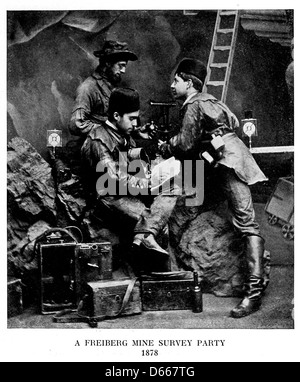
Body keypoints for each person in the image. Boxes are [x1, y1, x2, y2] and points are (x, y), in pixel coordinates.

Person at [158, 58, 268, 318]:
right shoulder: (210, 99)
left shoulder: (194, 103)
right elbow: (230, 125)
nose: (172, 85)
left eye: (176, 81)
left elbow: (185, 144)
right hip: (222, 159)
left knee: (246, 223)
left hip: (229, 161)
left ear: (189, 83)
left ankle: (253, 295)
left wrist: (165, 145)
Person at [81, 87, 180, 273]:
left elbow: (129, 164)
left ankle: (146, 239)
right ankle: (158, 275)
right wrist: (147, 184)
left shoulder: (123, 133)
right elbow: (113, 179)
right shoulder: (98, 140)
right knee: (158, 225)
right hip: (109, 198)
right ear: (116, 115)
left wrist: (150, 175)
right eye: (132, 119)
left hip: (129, 191)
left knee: (173, 186)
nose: (136, 124)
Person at [69, 40, 138, 137]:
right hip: (94, 147)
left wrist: (136, 131)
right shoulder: (88, 87)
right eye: (121, 65)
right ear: (108, 63)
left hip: (112, 145)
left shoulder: (112, 85)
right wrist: (110, 130)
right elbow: (76, 125)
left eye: (125, 66)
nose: (123, 71)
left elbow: (116, 122)